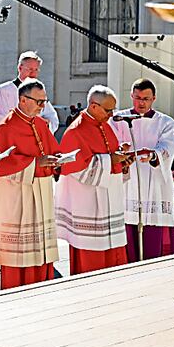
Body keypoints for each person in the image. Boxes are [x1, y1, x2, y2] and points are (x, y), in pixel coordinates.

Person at [0, 79, 60, 289]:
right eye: (38, 102)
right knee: (19, 259)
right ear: (22, 100)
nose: (42, 107)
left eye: (44, 102)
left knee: (40, 252)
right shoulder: (6, 127)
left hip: (41, 193)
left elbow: (52, 150)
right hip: (18, 199)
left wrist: (59, 160)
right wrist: (35, 163)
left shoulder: (39, 124)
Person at [55, 86, 131, 275]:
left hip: (109, 201)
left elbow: (110, 155)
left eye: (113, 109)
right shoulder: (75, 131)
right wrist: (110, 160)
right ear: (93, 106)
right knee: (91, 262)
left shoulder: (105, 125)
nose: (111, 114)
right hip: (88, 205)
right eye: (108, 110)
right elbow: (77, 169)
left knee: (114, 258)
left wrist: (123, 160)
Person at [110, 78, 174, 262]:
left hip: (153, 179)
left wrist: (153, 154)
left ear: (154, 98)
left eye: (146, 99)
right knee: (127, 223)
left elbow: (168, 146)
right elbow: (111, 142)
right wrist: (121, 150)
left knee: (152, 227)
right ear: (131, 96)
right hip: (128, 179)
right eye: (138, 97)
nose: (141, 103)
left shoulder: (165, 121)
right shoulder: (117, 119)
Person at [0, 51, 60, 132]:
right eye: (30, 69)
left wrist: (46, 124)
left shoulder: (38, 92)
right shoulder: (3, 91)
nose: (33, 74)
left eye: (36, 70)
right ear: (20, 68)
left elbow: (52, 117)